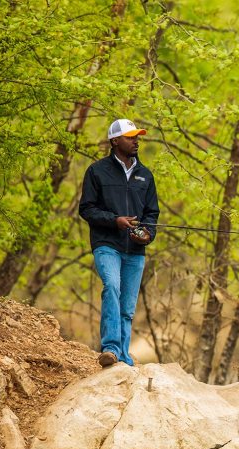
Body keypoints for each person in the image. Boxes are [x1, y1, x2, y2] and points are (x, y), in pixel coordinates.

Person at [79, 118, 160, 368]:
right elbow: (87, 209)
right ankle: (111, 348)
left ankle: (122, 357)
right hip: (107, 245)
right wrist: (115, 221)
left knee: (128, 307)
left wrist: (147, 234)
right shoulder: (96, 171)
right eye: (130, 137)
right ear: (115, 141)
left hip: (135, 250)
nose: (136, 141)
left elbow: (151, 215)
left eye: (137, 136)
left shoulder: (145, 176)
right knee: (111, 286)